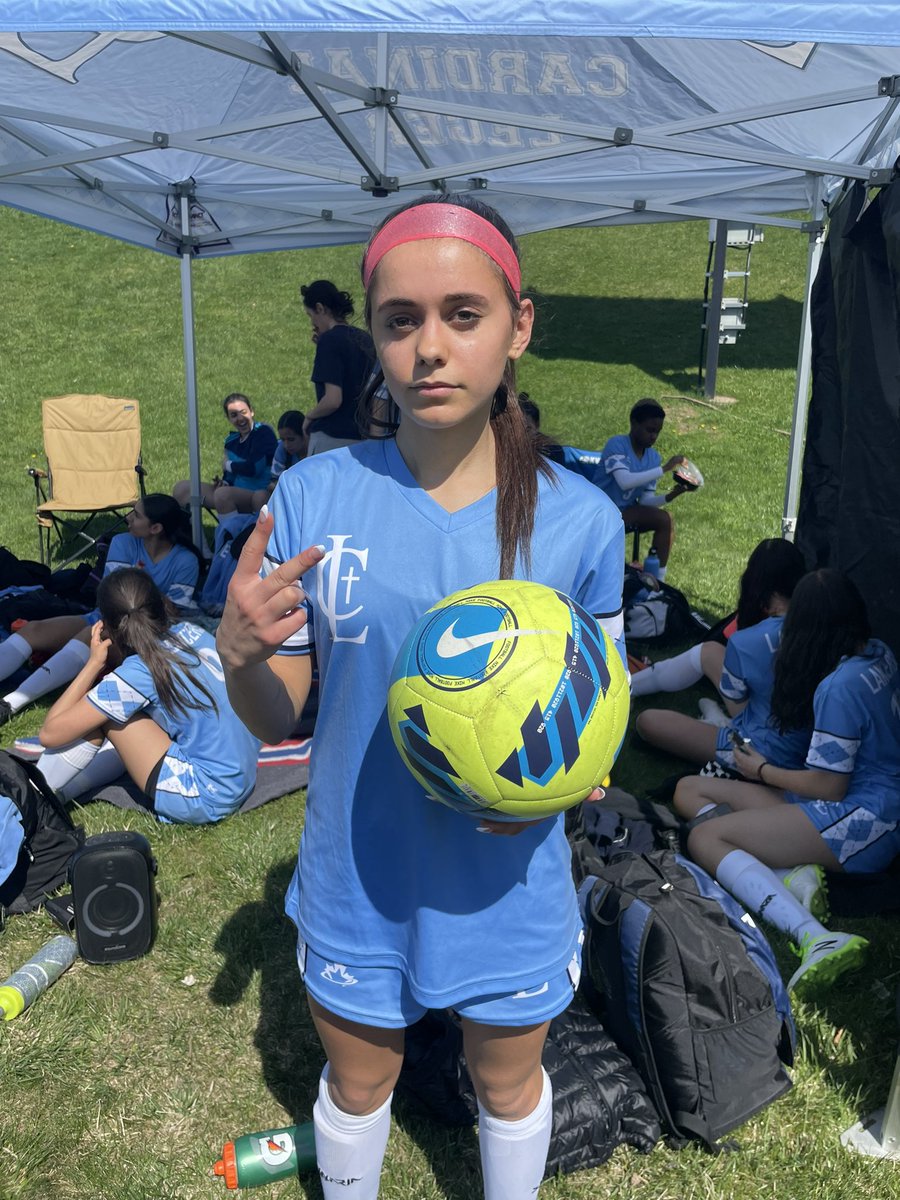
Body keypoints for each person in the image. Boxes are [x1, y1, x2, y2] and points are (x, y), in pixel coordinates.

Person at [216, 193, 626, 1200]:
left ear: (518, 324)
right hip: (359, 875)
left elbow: (596, 725)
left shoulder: (583, 521)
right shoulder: (316, 496)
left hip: (507, 885)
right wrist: (238, 658)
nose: (430, 348)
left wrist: (559, 779)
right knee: (360, 1088)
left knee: (508, 1082)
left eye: (463, 315)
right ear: (377, 337)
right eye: (401, 321)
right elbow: (284, 716)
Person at [674, 570, 900, 992]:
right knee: (690, 789)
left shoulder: (838, 687)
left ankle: (813, 935)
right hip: (867, 804)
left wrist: (760, 770)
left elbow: (828, 787)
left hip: (864, 821)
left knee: (704, 839)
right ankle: (790, 871)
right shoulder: (879, 652)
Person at [37, 568, 260, 824]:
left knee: (105, 717)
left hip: (206, 796)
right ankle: (55, 794)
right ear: (160, 603)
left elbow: (50, 734)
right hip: (241, 776)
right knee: (124, 710)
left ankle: (33, 799)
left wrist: (93, 664)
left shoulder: (138, 672)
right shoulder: (191, 631)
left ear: (107, 626)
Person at [0, 494, 201, 726]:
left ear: (155, 528)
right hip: (105, 617)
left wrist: (134, 597)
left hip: (143, 636)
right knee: (35, 630)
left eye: (136, 515)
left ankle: (10, 703)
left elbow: (170, 613)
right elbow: (114, 596)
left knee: (90, 634)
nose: (128, 518)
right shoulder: (123, 542)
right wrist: (147, 597)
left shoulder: (186, 561)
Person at [633, 539, 808, 772]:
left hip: (761, 749)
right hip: (799, 740)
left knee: (648, 722)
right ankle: (627, 687)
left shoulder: (746, 641)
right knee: (710, 652)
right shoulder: (821, 626)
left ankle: (720, 724)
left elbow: (738, 697)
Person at [599, 399, 691, 579]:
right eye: (649, 430)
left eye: (657, 432)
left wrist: (671, 496)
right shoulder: (617, 445)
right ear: (634, 423)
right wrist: (665, 469)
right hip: (602, 510)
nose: (653, 436)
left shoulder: (653, 457)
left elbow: (646, 501)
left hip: (626, 511)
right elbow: (624, 481)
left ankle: (657, 580)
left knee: (665, 519)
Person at [300, 280, 376, 455]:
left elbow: (333, 400)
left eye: (310, 315)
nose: (313, 323)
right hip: (364, 436)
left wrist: (310, 416)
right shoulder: (365, 338)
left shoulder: (329, 341)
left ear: (320, 308)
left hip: (333, 439)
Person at [173, 393, 277, 515]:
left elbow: (254, 469)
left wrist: (227, 465)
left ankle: (231, 533)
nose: (240, 418)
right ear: (228, 418)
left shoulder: (263, 432)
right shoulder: (231, 441)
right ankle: (191, 532)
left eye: (243, 412)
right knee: (182, 488)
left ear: (251, 412)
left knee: (223, 494)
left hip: (258, 494)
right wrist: (225, 482)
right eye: (234, 415)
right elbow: (230, 475)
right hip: (233, 491)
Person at [250, 409, 309, 511]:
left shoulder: (316, 450)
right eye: (282, 439)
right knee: (261, 496)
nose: (286, 445)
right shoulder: (282, 449)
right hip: (288, 496)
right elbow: (273, 483)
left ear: (305, 435)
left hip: (310, 496)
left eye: (291, 439)